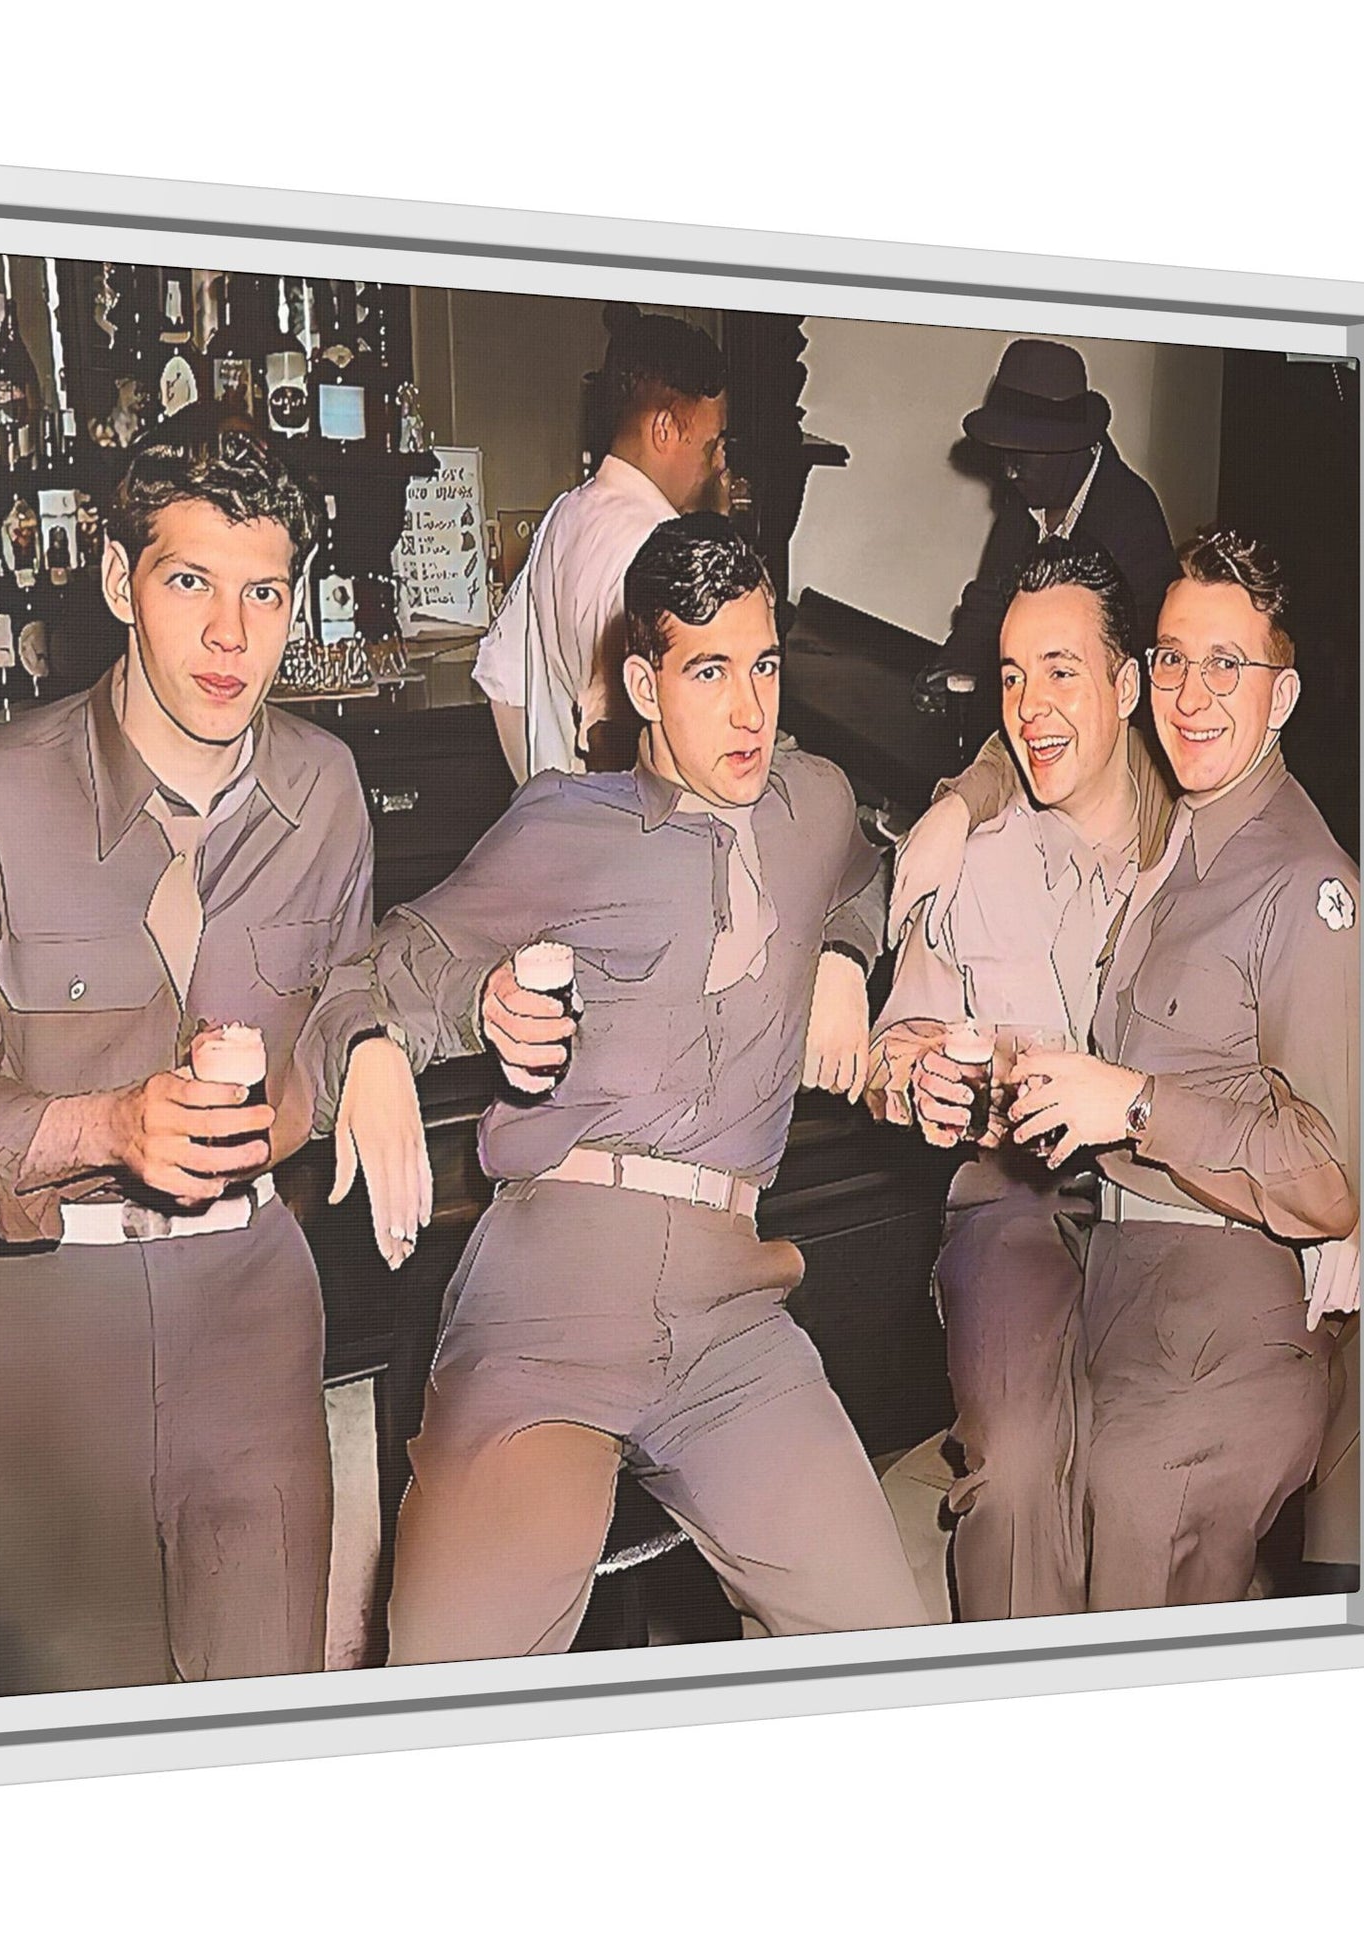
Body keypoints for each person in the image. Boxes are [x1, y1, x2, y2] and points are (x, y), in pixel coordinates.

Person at [311, 513, 932, 1663]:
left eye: (764, 665)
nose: (750, 711)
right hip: (550, 1294)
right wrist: (384, 1045)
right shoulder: (562, 820)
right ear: (643, 682)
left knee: (884, 1641)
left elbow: (873, 869)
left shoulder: (815, 802)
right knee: (451, 1675)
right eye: (709, 671)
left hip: (733, 1317)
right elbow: (389, 960)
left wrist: (844, 957)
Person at [0, 407, 403, 1698]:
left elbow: (346, 969)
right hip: (40, 1336)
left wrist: (364, 1036)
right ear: (115, 578)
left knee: (260, 1712)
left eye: (264, 593)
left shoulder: (326, 788)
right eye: (189, 580)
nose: (228, 636)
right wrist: (105, 1128)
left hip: (257, 1312)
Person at [1006, 526, 1359, 1612]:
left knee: (1136, 1605)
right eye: (1169, 658)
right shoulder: (1184, 821)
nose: (1189, 694)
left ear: (1281, 694)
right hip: (1117, 1276)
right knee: (1036, 1523)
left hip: (1222, 1305)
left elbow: (1331, 1173)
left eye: (1226, 665)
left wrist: (1139, 1104)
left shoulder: (1304, 883)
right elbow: (1030, 720)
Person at [867, 540, 1168, 1620]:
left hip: (1169, 1206)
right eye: (1010, 675)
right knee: (1018, 1457)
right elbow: (895, 1042)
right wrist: (907, 1080)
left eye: (1060, 670)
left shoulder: (1196, 841)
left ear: (1127, 684)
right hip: (1010, 1202)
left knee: (1152, 1469)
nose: (1031, 707)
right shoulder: (975, 851)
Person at [471, 312, 731, 783]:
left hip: (565, 829)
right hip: (632, 841)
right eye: (712, 443)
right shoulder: (656, 546)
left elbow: (503, 682)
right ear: (666, 430)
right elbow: (610, 732)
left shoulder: (565, 514)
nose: (719, 463)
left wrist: (540, 792)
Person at [911, 338, 1176, 722]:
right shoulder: (1027, 496)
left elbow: (1142, 666)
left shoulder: (1131, 521)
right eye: (1004, 453)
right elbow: (987, 605)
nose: (1008, 470)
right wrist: (949, 669)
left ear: (1070, 447)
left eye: (1022, 453)